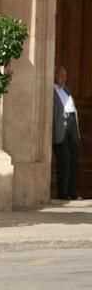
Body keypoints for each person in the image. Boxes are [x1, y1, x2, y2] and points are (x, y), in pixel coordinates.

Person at [53, 65, 83, 200]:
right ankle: (62, 192)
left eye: (65, 75)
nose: (65, 78)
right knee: (65, 158)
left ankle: (71, 191)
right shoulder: (51, 91)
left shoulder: (67, 90)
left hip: (72, 125)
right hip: (60, 127)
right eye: (62, 75)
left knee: (74, 159)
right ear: (55, 76)